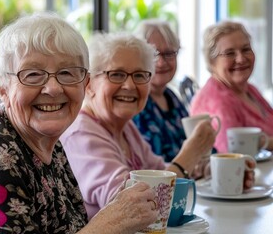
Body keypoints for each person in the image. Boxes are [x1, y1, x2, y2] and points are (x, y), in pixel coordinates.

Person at [0, 13, 159, 234]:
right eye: (32, 74)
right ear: (3, 88)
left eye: (67, 73)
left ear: (84, 84)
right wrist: (109, 225)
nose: (53, 88)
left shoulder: (50, 145)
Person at [60, 32, 225, 220]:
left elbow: (160, 170)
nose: (130, 85)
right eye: (117, 74)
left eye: (139, 75)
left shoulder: (126, 128)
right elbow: (130, 203)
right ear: (89, 85)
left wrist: (212, 170)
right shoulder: (81, 134)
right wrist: (189, 155)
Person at [190, 20, 273, 152]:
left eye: (246, 49)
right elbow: (231, 153)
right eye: (230, 53)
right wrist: (267, 142)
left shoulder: (249, 89)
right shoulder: (217, 101)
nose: (241, 59)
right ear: (212, 62)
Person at [133, 19, 200, 162]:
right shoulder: (135, 103)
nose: (161, 62)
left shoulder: (171, 97)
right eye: (153, 54)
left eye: (169, 53)